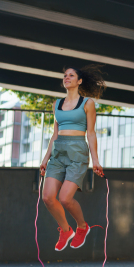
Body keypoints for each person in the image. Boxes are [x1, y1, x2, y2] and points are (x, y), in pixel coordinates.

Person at [40, 64, 106, 252]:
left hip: (77, 153)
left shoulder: (88, 103)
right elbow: (55, 135)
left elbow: (91, 133)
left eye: (71, 75)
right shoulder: (57, 104)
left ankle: (82, 227)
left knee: (65, 198)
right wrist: (45, 159)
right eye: (65, 75)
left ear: (79, 81)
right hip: (58, 152)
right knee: (47, 198)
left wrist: (96, 161)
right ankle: (66, 230)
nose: (66, 77)